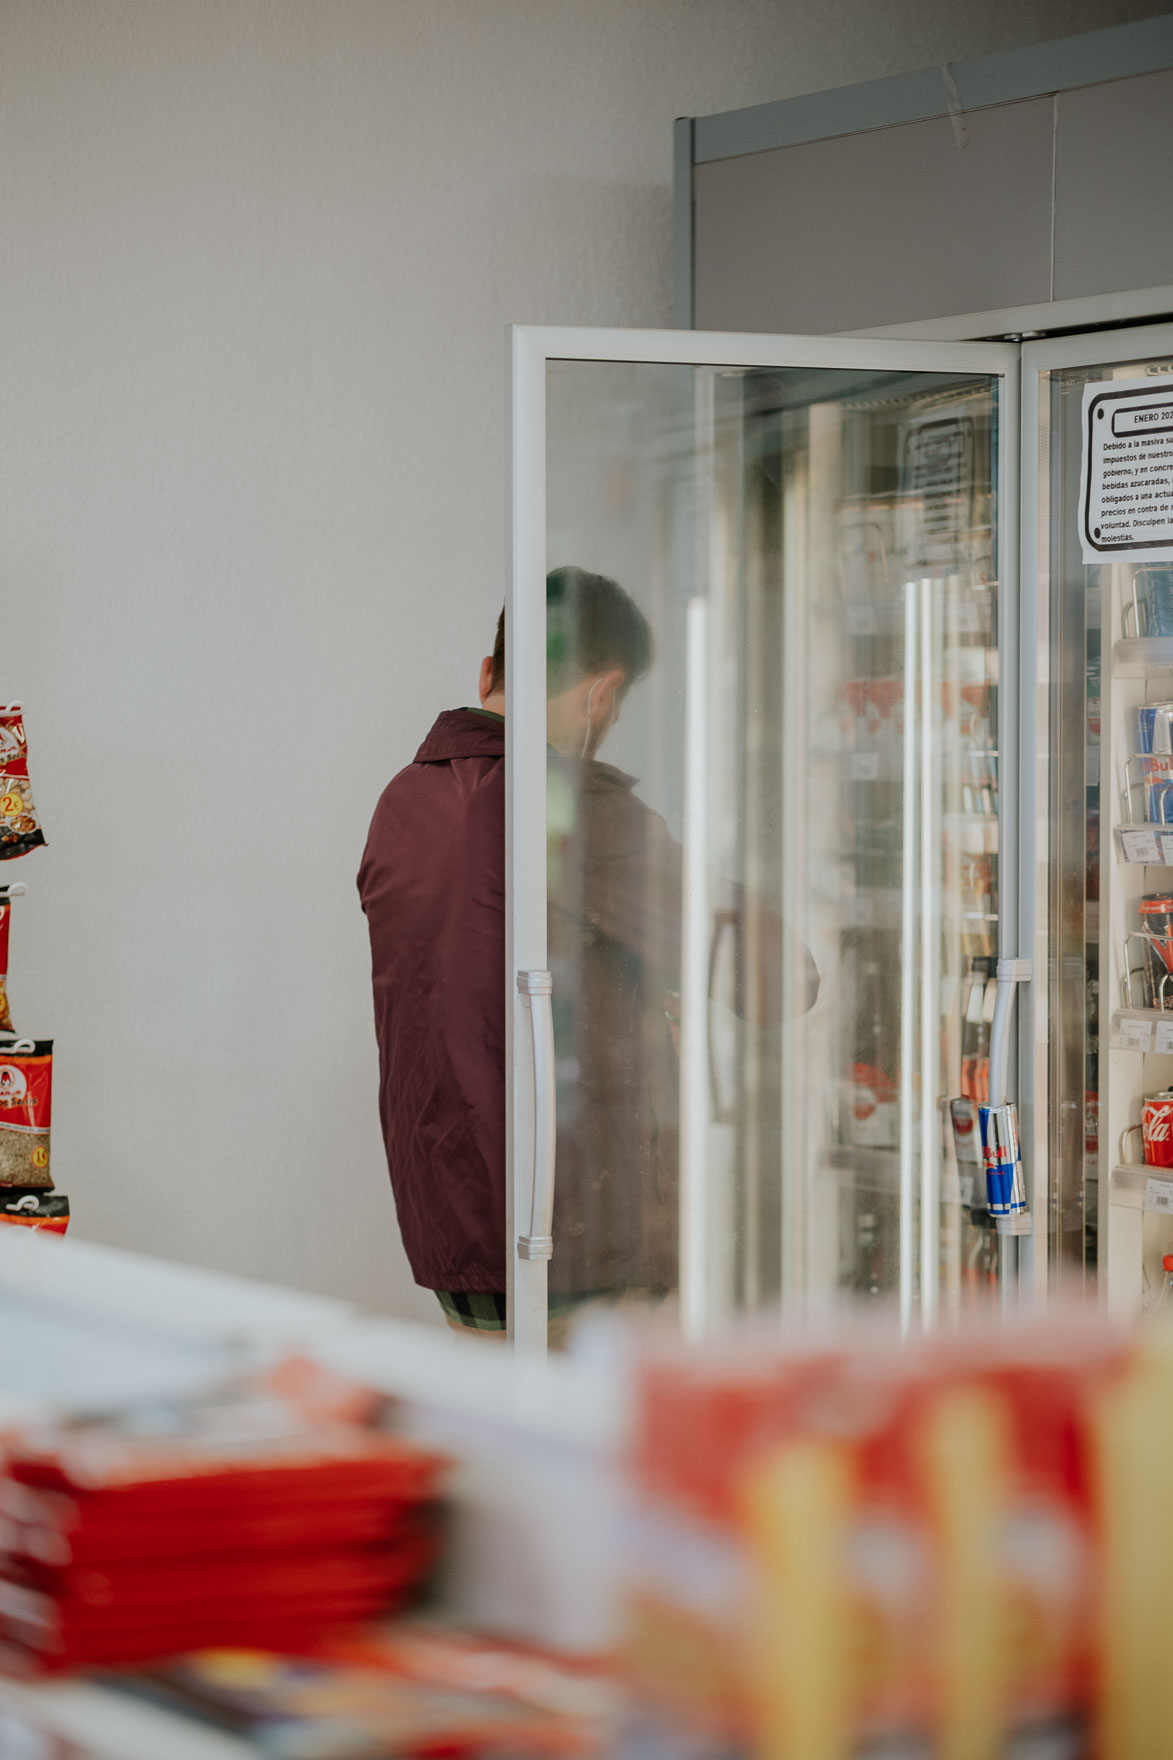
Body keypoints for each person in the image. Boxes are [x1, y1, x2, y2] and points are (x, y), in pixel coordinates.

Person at [358, 566, 815, 1335]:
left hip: (459, 1248)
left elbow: (485, 976)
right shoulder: (564, 805)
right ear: (602, 692)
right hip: (578, 1249)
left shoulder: (403, 800)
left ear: (487, 673)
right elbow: (773, 976)